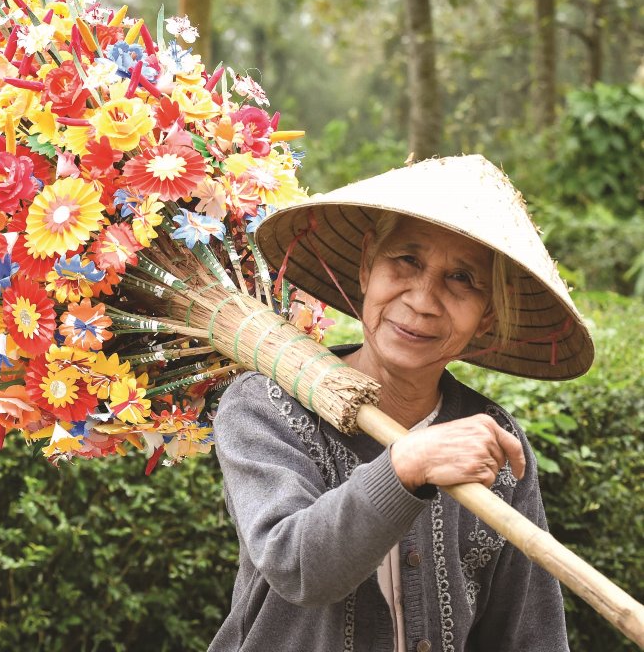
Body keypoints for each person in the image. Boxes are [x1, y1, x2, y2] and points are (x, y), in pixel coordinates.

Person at [209, 155, 594, 652]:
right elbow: (299, 568)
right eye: (406, 261)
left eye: (462, 280)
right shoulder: (267, 404)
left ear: (487, 316)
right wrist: (406, 464)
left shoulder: (494, 444)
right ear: (368, 264)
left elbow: (528, 634)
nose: (423, 300)